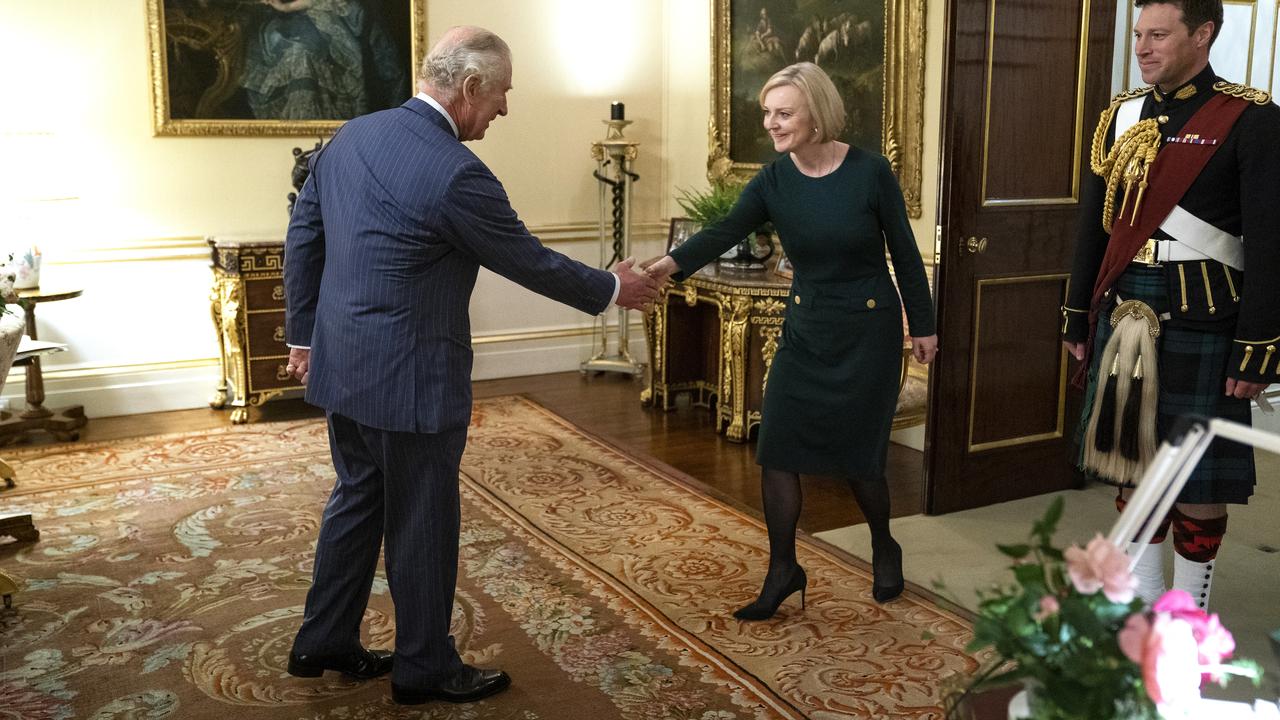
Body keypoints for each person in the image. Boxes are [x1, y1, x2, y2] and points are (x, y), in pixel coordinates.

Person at [281, 26, 660, 704]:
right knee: (422, 520)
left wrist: (303, 337)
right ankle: (424, 667)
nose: (505, 110)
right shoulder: (456, 171)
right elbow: (527, 259)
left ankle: (324, 638)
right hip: (413, 380)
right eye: (504, 94)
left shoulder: (352, 136)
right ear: (471, 87)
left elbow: (304, 233)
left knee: (356, 499)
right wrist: (614, 289)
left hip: (345, 368)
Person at [644, 62, 937, 620]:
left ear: (816, 114)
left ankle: (883, 544)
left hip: (867, 332)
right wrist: (663, 269)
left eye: (784, 114)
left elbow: (903, 250)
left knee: (861, 459)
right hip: (806, 330)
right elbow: (724, 231)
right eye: (767, 115)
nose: (772, 125)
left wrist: (922, 326)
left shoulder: (870, 173)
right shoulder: (774, 179)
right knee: (776, 448)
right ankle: (783, 568)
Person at [1062, 0, 1279, 610]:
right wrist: (1078, 313)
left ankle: (1188, 615)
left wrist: (1258, 347)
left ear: (1203, 34)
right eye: (1138, 34)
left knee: (1197, 477)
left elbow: (1271, 242)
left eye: (1159, 34)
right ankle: (1147, 602)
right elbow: (1094, 226)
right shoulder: (1121, 115)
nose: (1142, 46)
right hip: (1126, 309)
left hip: (1205, 317)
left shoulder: (1251, 121)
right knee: (1132, 463)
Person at [242, 0, 408, 120]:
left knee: (305, 49)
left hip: (324, 14)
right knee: (288, 46)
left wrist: (288, 7)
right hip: (273, 19)